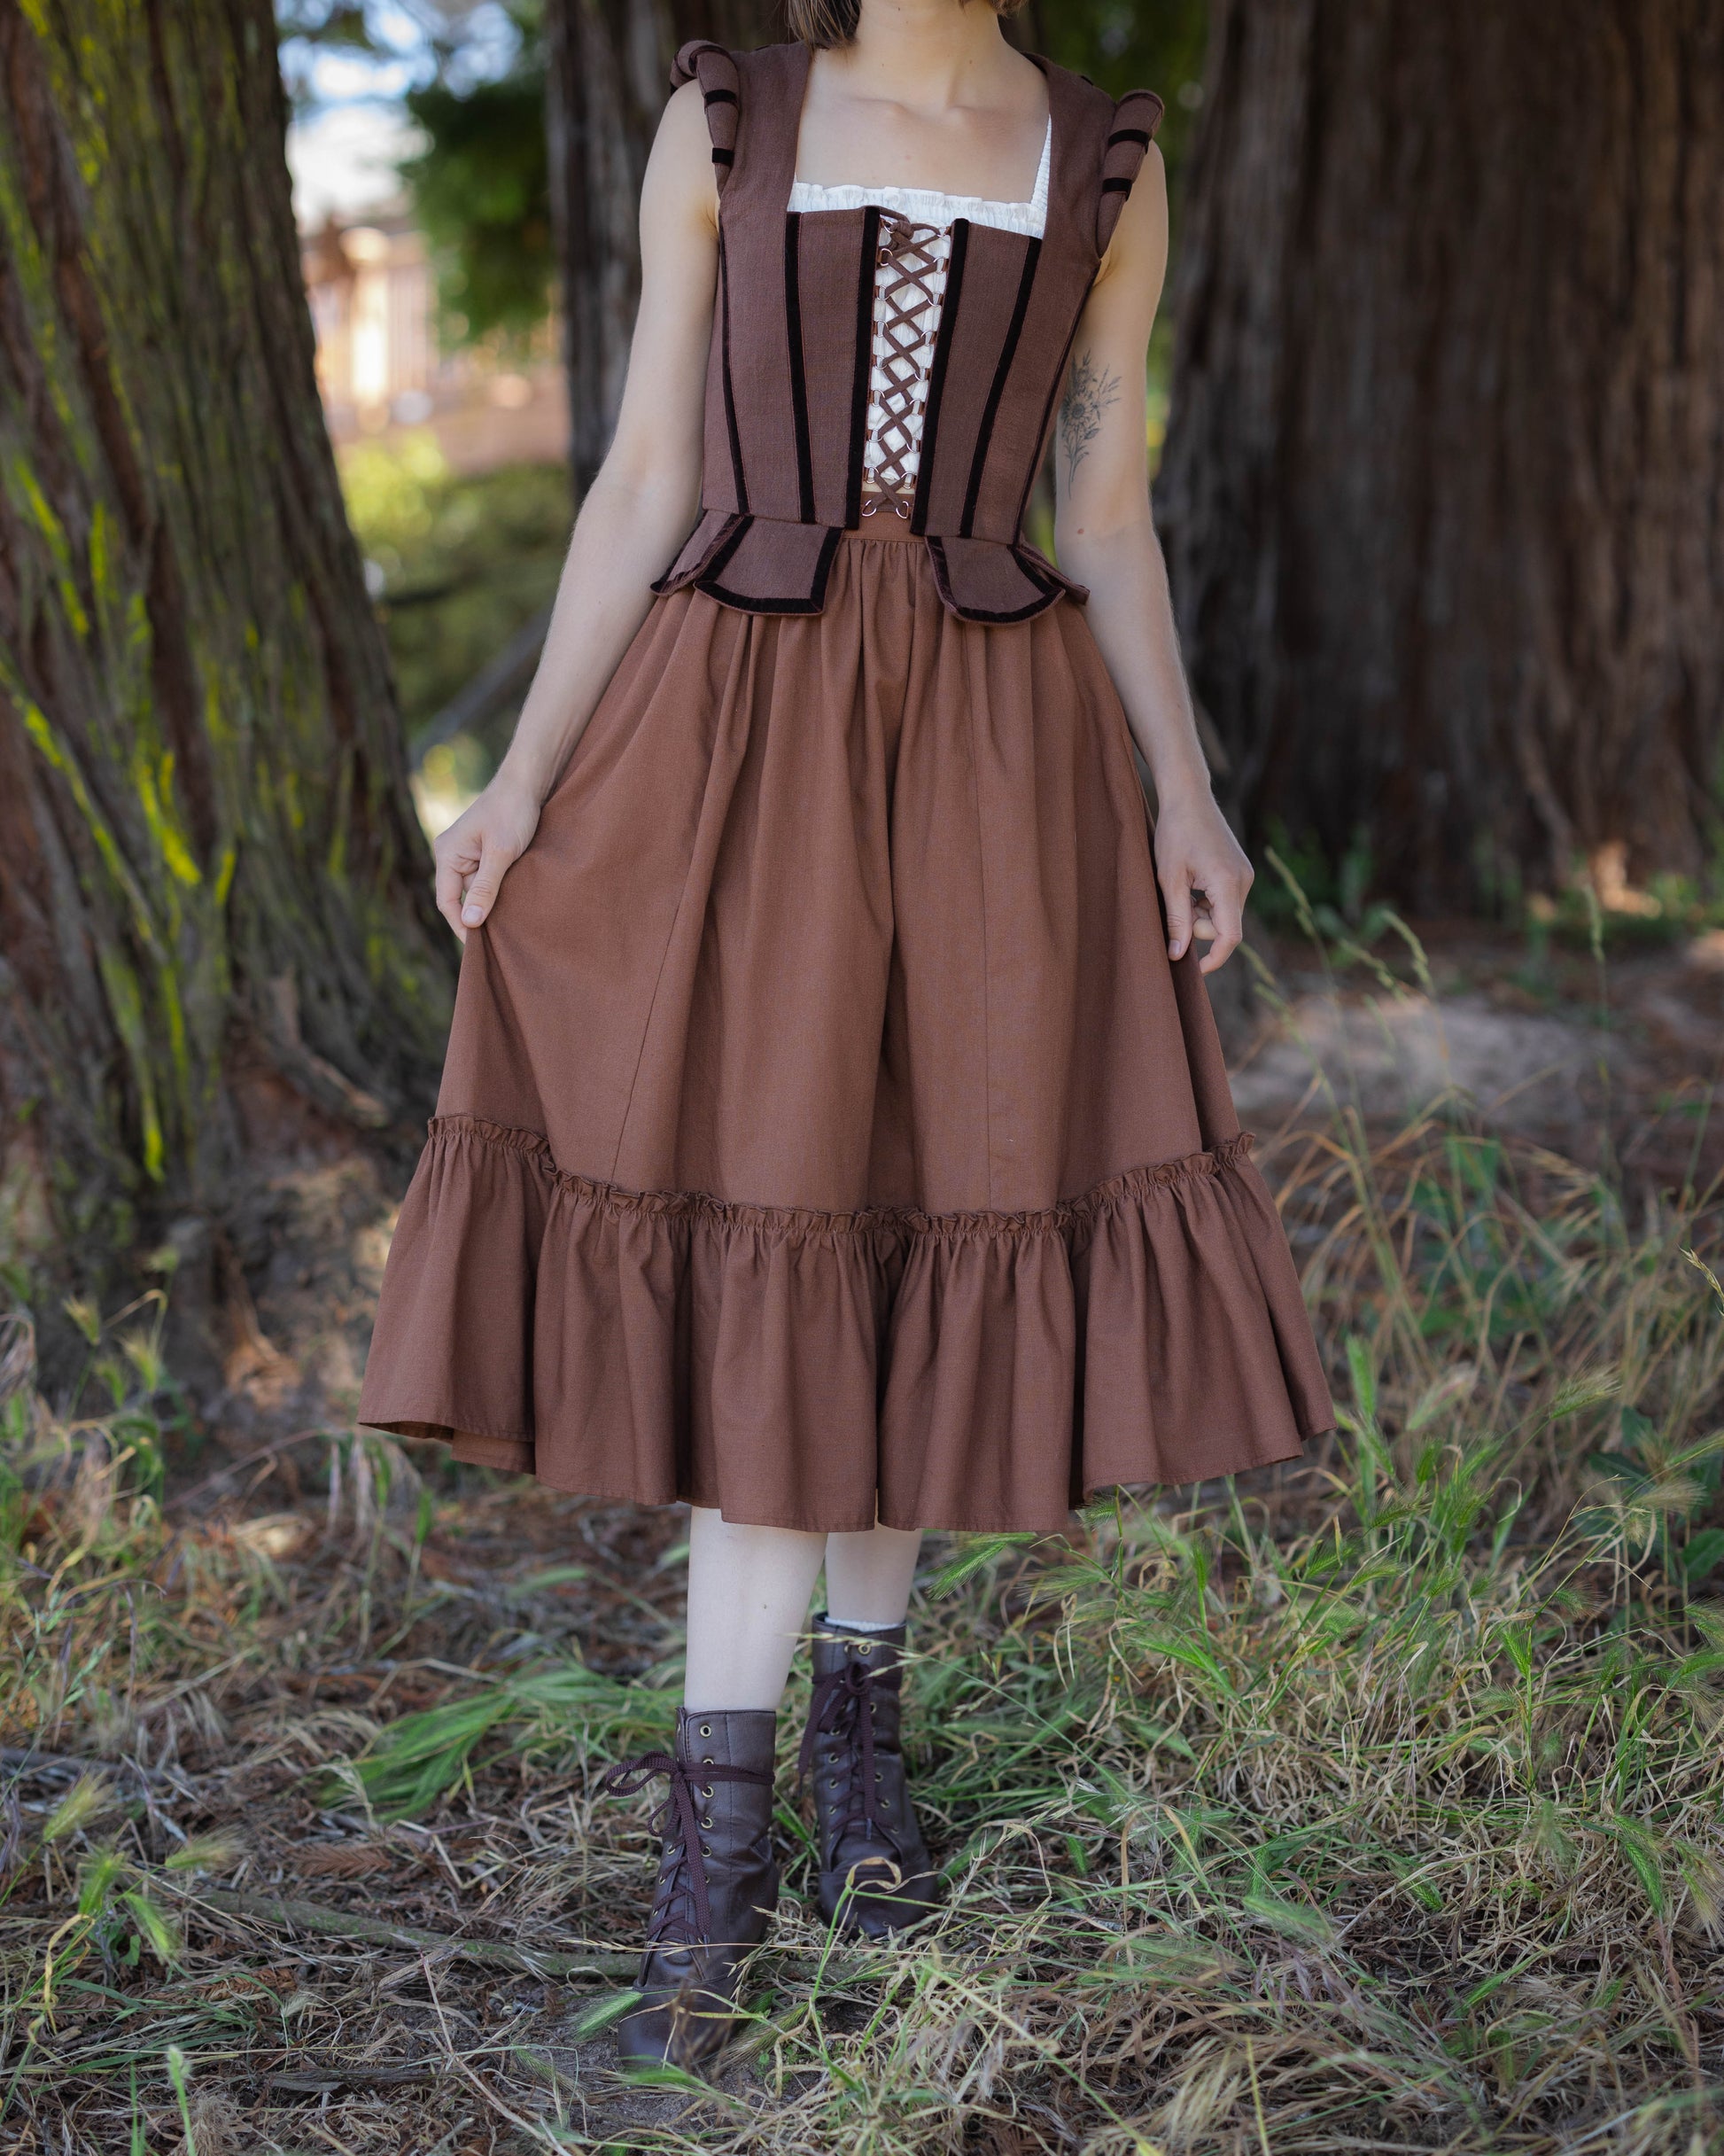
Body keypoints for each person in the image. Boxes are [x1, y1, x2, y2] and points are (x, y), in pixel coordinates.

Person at [359, 0, 1332, 2072]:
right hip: (743, 739)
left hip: (995, 755)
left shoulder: (1103, 161)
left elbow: (1108, 504)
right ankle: (708, 1866)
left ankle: (862, 1763)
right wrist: (523, 781)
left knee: (920, 1211)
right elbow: (642, 476)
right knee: (779, 1219)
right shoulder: (729, 119)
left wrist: (1185, 790)